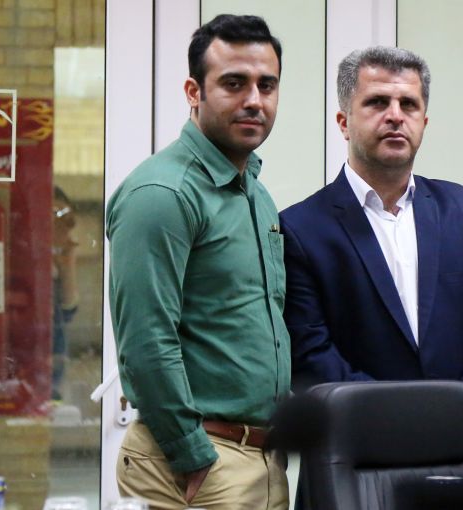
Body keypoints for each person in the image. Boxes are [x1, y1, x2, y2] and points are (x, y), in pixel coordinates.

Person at [280, 46, 463, 446]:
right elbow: (309, 355)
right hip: (359, 452)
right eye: (377, 102)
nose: (395, 115)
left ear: (423, 122)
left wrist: (458, 419)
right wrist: (403, 424)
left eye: (408, 104)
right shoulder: (300, 228)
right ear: (343, 122)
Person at [107, 14, 290, 510]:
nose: (254, 100)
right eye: (234, 83)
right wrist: (191, 454)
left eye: (267, 85)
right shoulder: (162, 193)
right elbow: (145, 341)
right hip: (196, 460)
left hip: (258, 458)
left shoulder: (255, 193)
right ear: (194, 91)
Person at [51, 185, 79, 402]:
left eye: (68, 221)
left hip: (52, 374)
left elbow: (68, 309)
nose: (65, 228)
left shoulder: (54, 267)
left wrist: (66, 265)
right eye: (57, 217)